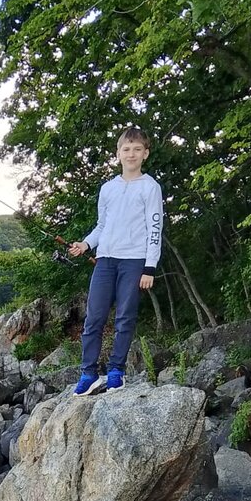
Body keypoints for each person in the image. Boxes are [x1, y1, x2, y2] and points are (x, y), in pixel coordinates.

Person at [69, 126, 163, 394]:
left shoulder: (150, 187)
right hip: (105, 260)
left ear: (145, 154)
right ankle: (88, 374)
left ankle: (116, 372)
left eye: (137, 149)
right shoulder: (108, 188)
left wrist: (149, 267)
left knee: (125, 318)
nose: (131, 154)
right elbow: (102, 226)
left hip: (134, 261)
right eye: (126, 149)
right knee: (94, 318)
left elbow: (155, 229)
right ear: (118, 153)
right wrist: (86, 244)